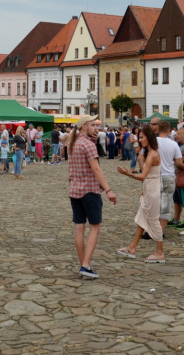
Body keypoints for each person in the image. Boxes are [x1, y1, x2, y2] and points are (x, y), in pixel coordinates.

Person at [67, 115, 117, 279]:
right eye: (93, 125)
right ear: (84, 127)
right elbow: (96, 169)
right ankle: (86, 265)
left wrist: (93, 142)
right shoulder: (87, 145)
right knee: (94, 227)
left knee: (79, 228)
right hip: (89, 190)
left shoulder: (73, 143)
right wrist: (108, 190)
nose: (96, 128)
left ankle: (83, 265)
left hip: (75, 190)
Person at [116, 126, 166, 264]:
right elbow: (147, 175)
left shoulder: (153, 154)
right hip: (150, 188)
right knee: (142, 219)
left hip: (152, 189)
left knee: (153, 219)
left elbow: (143, 176)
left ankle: (160, 252)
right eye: (139, 137)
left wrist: (128, 174)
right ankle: (132, 247)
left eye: (142, 137)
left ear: (149, 138)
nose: (140, 140)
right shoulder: (150, 153)